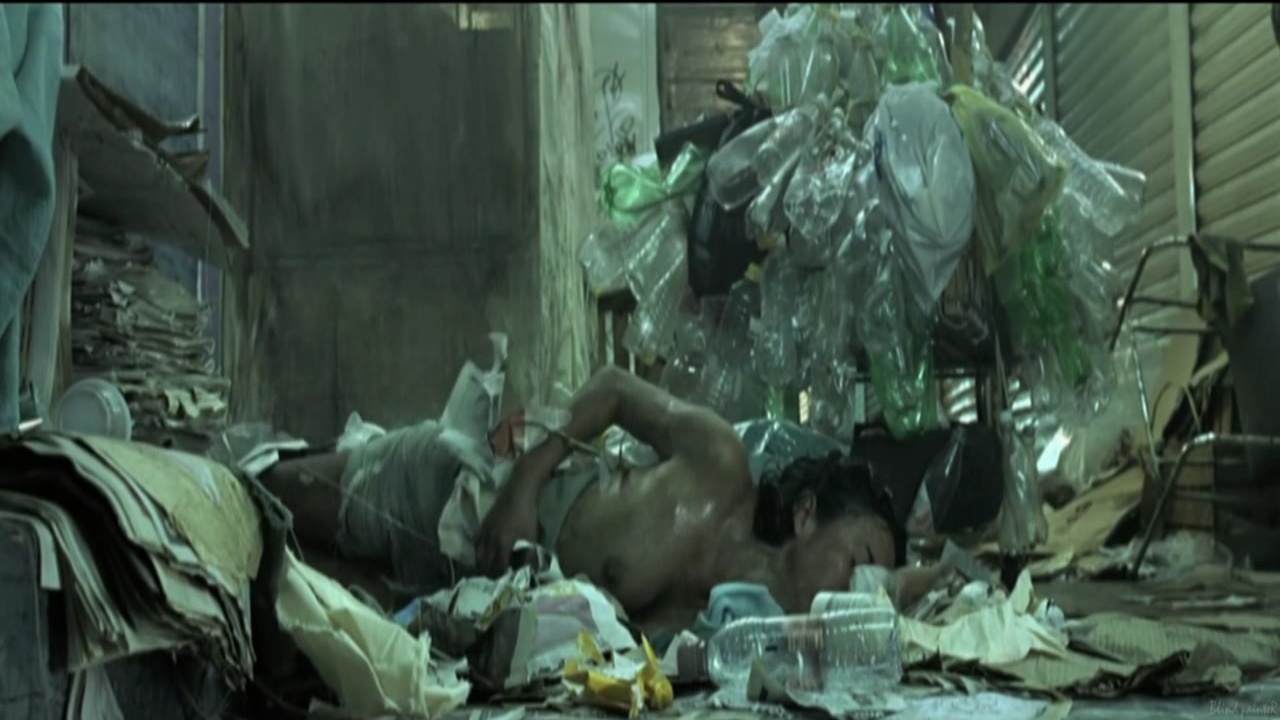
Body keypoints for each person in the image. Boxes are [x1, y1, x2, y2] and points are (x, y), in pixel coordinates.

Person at [262, 366, 950, 633]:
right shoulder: (718, 471)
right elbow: (614, 389)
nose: (859, 589)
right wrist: (525, 486)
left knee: (282, 585)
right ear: (806, 516)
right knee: (276, 498)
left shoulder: (728, 632)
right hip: (466, 500)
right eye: (860, 559)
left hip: (455, 598)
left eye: (874, 585)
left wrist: (938, 574)